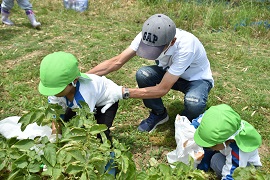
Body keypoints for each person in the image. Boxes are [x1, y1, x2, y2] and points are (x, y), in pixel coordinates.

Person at [87, 14, 214, 133]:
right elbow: (116, 62)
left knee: (194, 102)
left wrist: (122, 92)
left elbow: (162, 89)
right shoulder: (147, 35)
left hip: (196, 79)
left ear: (172, 41)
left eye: (157, 49)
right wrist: (82, 77)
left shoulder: (186, 47)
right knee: (143, 74)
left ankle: (186, 124)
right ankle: (159, 114)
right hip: (169, 72)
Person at [38, 51, 124, 143]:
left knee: (100, 132)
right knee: (66, 121)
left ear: (74, 81)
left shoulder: (84, 94)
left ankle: (108, 153)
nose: (54, 93)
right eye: (50, 90)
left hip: (106, 101)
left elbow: (85, 123)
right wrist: (55, 135)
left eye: (58, 90)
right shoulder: (56, 91)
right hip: (80, 102)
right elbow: (56, 115)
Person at [193, 104, 262, 179]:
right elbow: (200, 120)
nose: (211, 147)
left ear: (227, 140)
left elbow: (233, 175)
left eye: (213, 145)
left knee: (215, 160)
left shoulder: (238, 151)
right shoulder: (218, 120)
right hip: (228, 153)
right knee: (212, 155)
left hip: (245, 168)